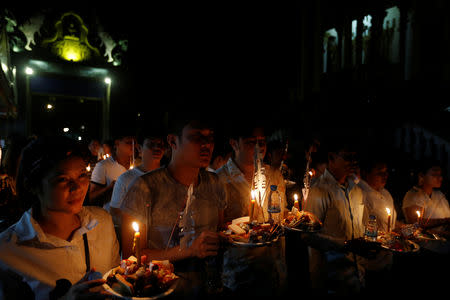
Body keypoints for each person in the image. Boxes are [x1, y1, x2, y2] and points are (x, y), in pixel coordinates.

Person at [119, 113, 227, 298]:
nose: (206, 145)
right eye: (196, 137)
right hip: (161, 290)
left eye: (210, 138)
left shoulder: (214, 183)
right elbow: (132, 255)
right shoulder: (145, 187)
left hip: (209, 287)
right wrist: (188, 250)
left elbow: (221, 230)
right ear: (173, 141)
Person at [0, 135, 120, 300]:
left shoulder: (102, 222)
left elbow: (116, 279)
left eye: (82, 175)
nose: (77, 187)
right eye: (63, 179)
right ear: (33, 185)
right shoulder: (7, 251)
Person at [215, 120, 287, 297]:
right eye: (250, 142)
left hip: (274, 270)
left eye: (262, 141)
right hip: (239, 274)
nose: (259, 147)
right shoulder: (220, 180)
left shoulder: (274, 175)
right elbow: (216, 229)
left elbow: (283, 217)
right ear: (234, 143)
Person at [303, 135, 366, 296]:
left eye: (354, 157)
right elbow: (308, 236)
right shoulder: (320, 191)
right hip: (332, 279)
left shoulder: (357, 190)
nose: (352, 162)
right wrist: (344, 245)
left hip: (358, 276)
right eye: (347, 157)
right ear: (331, 157)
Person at [109, 133, 166, 245]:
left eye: (160, 145)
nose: (157, 148)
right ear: (139, 148)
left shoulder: (168, 176)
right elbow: (114, 212)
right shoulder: (126, 178)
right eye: (151, 144)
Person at [357, 154, 396, 295]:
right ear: (366, 173)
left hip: (387, 260)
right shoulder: (360, 194)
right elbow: (361, 228)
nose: (385, 176)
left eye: (386, 172)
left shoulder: (386, 194)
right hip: (370, 263)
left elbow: (390, 224)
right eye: (380, 172)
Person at [402, 160, 450, 235]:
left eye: (440, 175)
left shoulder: (439, 195)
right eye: (434, 175)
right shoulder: (413, 195)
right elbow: (416, 223)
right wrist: (445, 221)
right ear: (421, 176)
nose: (440, 178)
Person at [89, 134, 135, 209]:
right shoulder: (103, 166)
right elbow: (92, 197)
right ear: (117, 143)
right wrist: (109, 188)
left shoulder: (139, 164)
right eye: (129, 142)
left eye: (135, 143)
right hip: (111, 216)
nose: (133, 146)